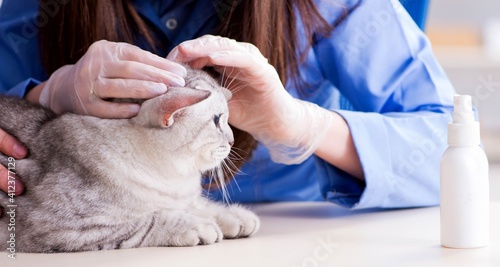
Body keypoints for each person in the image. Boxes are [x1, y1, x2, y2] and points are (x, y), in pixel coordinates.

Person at [0, 0, 454, 212]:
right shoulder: (30, 10)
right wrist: (41, 96)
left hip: (287, 237)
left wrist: (302, 126)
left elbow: (450, 149)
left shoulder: (334, 6)